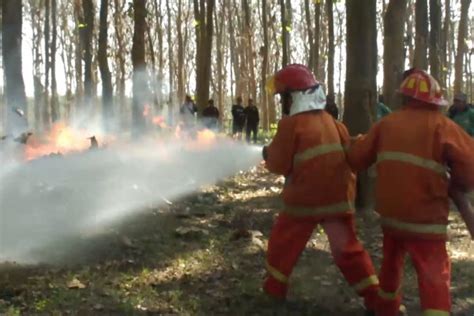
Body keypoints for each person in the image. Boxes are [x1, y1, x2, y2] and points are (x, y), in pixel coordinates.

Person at [347, 69, 474, 316]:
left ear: (404, 98)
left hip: (392, 217)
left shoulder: (386, 124)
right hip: (427, 220)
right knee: (433, 273)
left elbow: (356, 159)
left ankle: (386, 309)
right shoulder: (443, 126)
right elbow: (470, 167)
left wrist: (356, 141)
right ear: (435, 102)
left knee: (391, 265)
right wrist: (457, 184)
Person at [262, 64, 379, 314]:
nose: (282, 103)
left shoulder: (291, 125)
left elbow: (279, 163)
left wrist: (267, 154)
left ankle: (274, 289)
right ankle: (376, 298)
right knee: (349, 251)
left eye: (283, 97)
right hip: (337, 200)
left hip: (303, 202)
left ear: (294, 96)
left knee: (283, 244)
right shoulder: (334, 123)